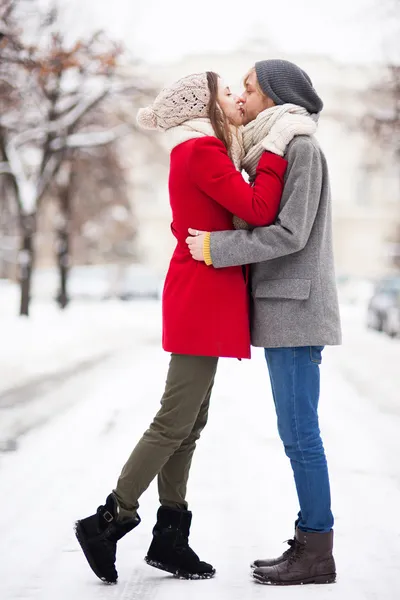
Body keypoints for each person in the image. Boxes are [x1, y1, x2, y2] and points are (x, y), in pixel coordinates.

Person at [74, 71, 315, 584]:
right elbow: (259, 208)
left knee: (189, 424)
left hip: (204, 297)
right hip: (201, 301)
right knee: (172, 421)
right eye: (226, 92)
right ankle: (108, 519)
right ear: (202, 106)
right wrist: (273, 149)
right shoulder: (201, 152)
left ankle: (170, 536)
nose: (235, 97)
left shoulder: (205, 151)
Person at [186, 59, 342, 587]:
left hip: (296, 310)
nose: (243, 97)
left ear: (272, 97)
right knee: (295, 433)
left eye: (249, 88)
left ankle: (317, 551)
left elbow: (291, 233)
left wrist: (216, 247)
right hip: (283, 306)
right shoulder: (270, 148)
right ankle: (308, 540)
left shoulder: (300, 148)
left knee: (301, 436)